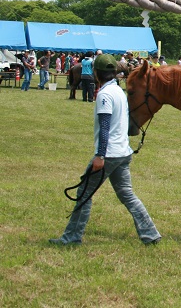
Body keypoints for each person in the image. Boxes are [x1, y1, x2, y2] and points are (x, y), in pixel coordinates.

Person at [49, 54, 161, 245]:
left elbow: (105, 126)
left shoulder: (104, 95)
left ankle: (72, 237)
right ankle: (150, 234)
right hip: (123, 152)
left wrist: (100, 155)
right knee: (127, 194)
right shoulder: (118, 91)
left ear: (96, 73)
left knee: (84, 193)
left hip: (109, 154)